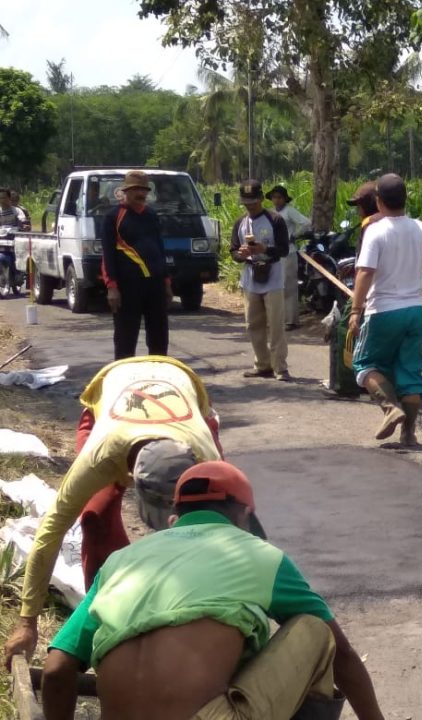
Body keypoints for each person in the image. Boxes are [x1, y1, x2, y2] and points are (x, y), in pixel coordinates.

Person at [41, 460, 385, 720]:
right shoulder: (261, 555)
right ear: (245, 515)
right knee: (315, 632)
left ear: (174, 517)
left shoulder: (121, 562)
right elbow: (342, 654)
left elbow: (56, 669)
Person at [2, 356, 224, 667]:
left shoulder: (204, 456)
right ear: (132, 478)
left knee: (207, 526)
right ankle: (105, 617)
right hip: (111, 398)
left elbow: (234, 528)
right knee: (96, 518)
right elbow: (50, 532)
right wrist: (28, 622)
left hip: (185, 393)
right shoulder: (101, 456)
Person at [349, 174, 422, 445]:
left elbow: (365, 272)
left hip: (383, 311)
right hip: (416, 311)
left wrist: (355, 310)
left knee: (365, 364)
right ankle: (409, 434)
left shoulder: (375, 231)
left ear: (379, 201)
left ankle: (390, 409)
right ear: (405, 199)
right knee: (410, 372)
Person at [100, 170, 173, 360]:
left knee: (159, 337)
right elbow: (107, 255)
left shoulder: (151, 215)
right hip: (127, 287)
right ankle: (124, 374)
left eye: (143, 190)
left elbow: (160, 250)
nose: (140, 194)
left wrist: (166, 283)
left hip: (155, 285)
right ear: (126, 191)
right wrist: (112, 287)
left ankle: (157, 372)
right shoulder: (113, 217)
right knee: (125, 339)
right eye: (135, 190)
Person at [231, 179, 292, 381]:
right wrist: (240, 254)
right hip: (250, 277)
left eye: (253, 202)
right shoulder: (240, 223)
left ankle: (280, 367)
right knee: (253, 324)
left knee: (275, 324)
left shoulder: (275, 220)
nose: (250, 206)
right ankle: (262, 364)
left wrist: (265, 249)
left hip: (272, 276)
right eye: (246, 203)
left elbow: (284, 249)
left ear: (260, 199)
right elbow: (233, 251)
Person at [267, 185, 311, 331]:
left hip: (289, 252)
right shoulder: (271, 213)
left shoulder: (289, 211)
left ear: (285, 199)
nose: (277, 200)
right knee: (275, 285)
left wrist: (294, 235)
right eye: (274, 197)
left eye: (279, 197)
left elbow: (306, 222)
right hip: (274, 252)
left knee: (288, 285)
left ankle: (291, 320)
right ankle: (277, 318)